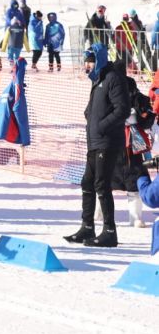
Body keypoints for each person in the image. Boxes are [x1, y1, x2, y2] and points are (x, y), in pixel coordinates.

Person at [64, 58, 130, 248]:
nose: (87, 66)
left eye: (90, 62)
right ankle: (87, 226)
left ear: (99, 60)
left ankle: (109, 232)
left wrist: (101, 126)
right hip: (94, 141)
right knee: (87, 182)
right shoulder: (97, 80)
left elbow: (122, 110)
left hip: (107, 141)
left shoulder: (113, 78)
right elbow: (93, 108)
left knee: (101, 184)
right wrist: (89, 117)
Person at [104, 63, 154, 227]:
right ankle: (101, 214)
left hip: (131, 145)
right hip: (113, 143)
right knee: (105, 180)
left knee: (134, 177)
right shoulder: (105, 90)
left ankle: (135, 217)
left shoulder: (131, 90)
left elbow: (147, 117)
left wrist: (137, 117)